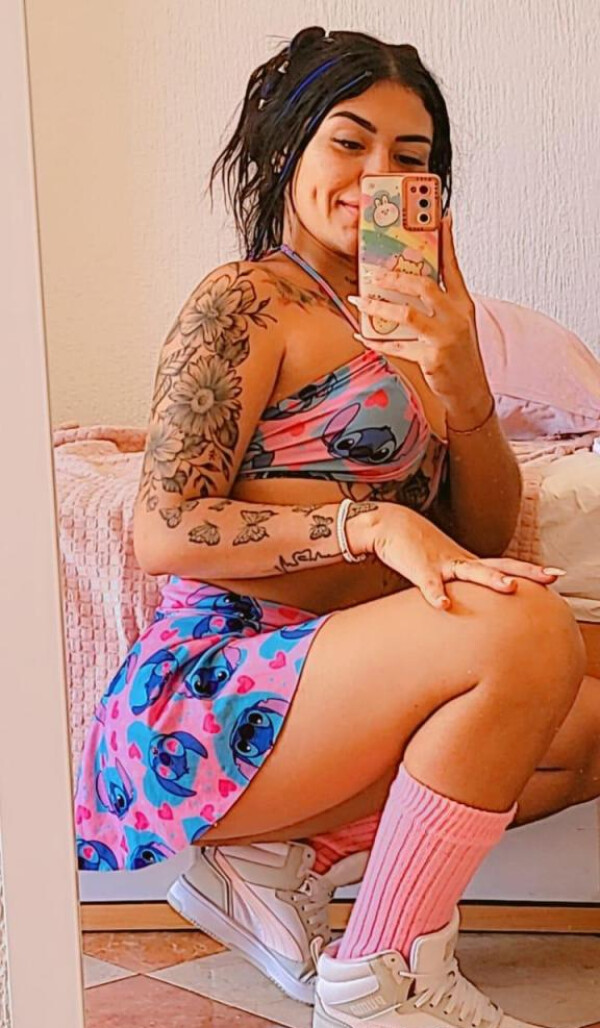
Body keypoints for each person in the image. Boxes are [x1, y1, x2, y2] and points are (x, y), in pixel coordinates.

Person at [73, 26, 599, 1027]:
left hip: (335, 683)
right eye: (349, 142)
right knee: (526, 632)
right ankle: (383, 982)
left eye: (410, 157)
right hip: (210, 695)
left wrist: (465, 384)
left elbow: (481, 535)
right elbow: (164, 529)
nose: (377, 175)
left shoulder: (413, 325)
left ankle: (282, 861)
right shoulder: (247, 302)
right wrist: (370, 526)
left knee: (586, 698)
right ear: (286, 150)